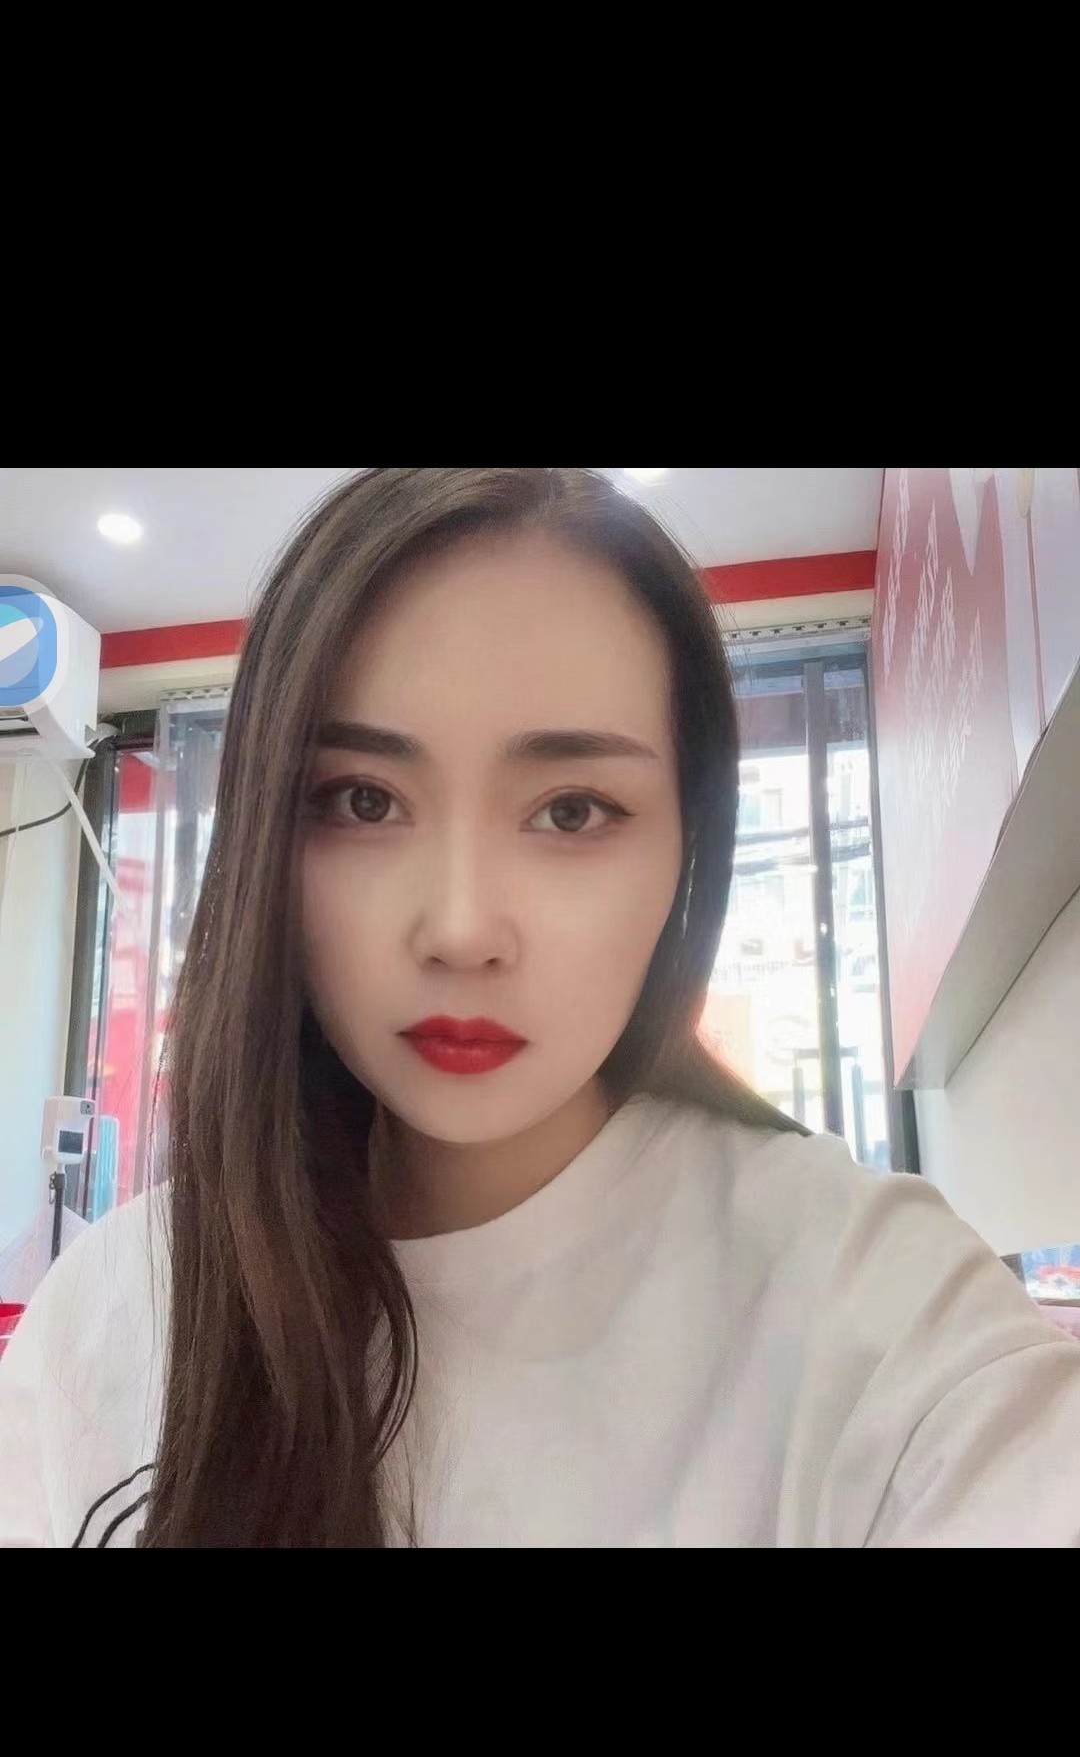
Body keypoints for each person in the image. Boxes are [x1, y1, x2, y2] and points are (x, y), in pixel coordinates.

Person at [2, 465, 1079, 1548]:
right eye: (363, 801)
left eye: (572, 811)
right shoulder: (110, 1314)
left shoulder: (876, 1316)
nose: (462, 928)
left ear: (689, 848)